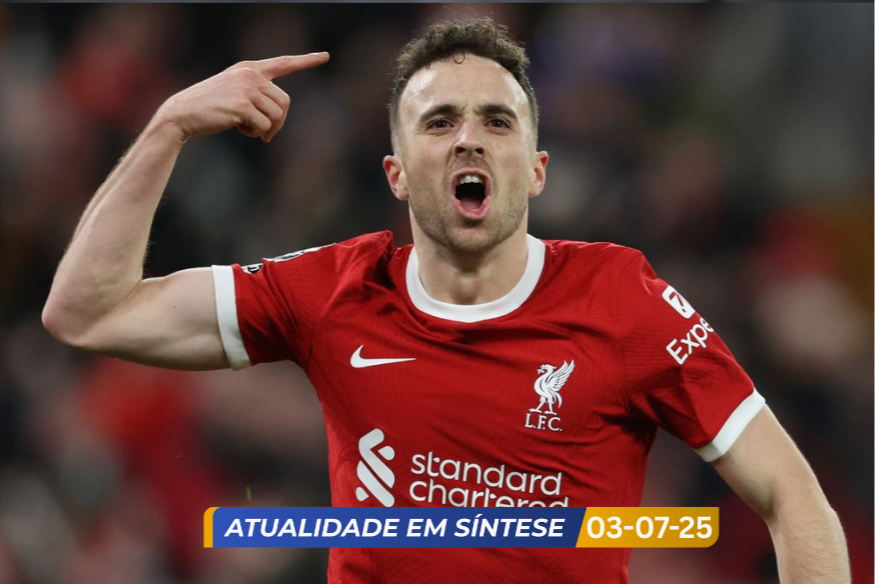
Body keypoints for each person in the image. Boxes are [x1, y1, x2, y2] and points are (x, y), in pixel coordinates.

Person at [43, 17, 850, 584]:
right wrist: (167, 129)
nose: (468, 137)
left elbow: (793, 499)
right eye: (439, 122)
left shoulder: (623, 300)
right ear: (396, 175)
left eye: (496, 121)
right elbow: (86, 312)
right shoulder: (334, 291)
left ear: (536, 169)